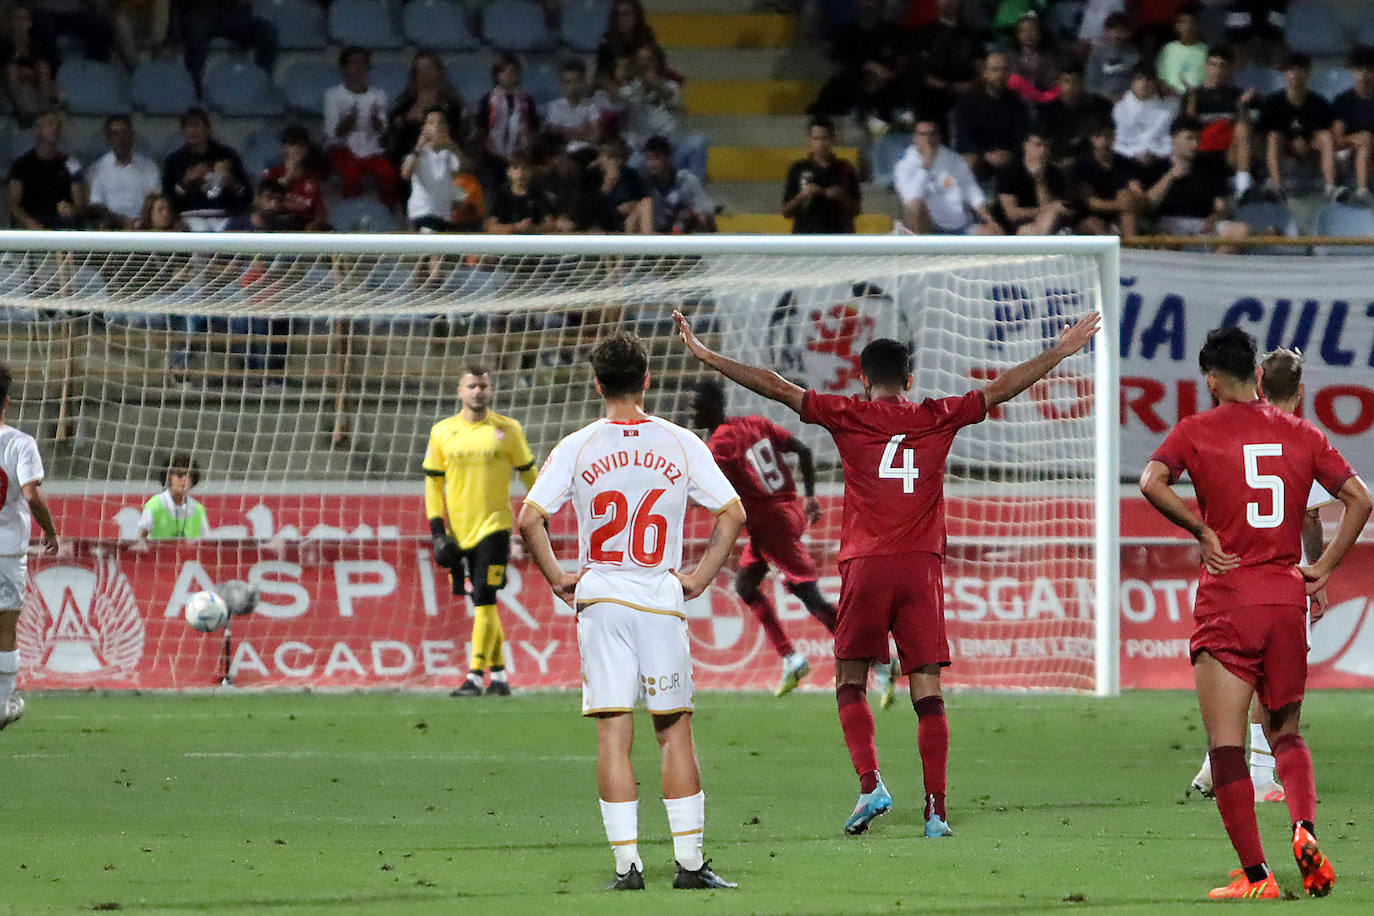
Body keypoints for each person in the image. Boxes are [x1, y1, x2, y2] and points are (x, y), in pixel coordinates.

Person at [671, 307, 1100, 839]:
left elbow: (777, 387)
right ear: (911, 380)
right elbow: (1001, 388)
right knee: (928, 688)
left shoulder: (848, 412)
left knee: (850, 679)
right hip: (922, 569)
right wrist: (1059, 352)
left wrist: (709, 355)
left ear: (862, 377)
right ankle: (937, 812)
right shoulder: (937, 414)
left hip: (865, 566)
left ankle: (871, 784)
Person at [1139, 326, 1370, 900]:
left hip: (1229, 600)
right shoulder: (1302, 434)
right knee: (1286, 731)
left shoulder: (1196, 430)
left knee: (1225, 747)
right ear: (1260, 377)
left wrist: (1200, 528)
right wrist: (1326, 568)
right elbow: (1360, 499)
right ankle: (1303, 827)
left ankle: (1257, 876)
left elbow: (1152, 481)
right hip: (1287, 599)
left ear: (1211, 381)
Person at [517, 332, 745, 891]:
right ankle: (689, 865)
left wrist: (558, 580)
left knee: (614, 737)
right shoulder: (681, 442)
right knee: (674, 733)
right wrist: (696, 578)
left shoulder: (576, 445)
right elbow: (732, 514)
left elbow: (528, 520)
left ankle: (627, 869)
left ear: (598, 384)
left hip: (601, 601)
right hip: (660, 601)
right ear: (647, 379)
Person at [1187, 347, 1331, 805]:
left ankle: (1216, 765)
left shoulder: (1230, 431)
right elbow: (1313, 517)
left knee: (1238, 675)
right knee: (1281, 696)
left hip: (1229, 579)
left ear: (1258, 385)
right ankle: (1268, 777)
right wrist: (1320, 572)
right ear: (1302, 391)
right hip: (1279, 582)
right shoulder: (1299, 437)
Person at [688, 379, 837, 696]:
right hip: (788, 511)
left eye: (695, 405)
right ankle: (792, 658)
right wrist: (810, 497)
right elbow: (804, 450)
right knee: (745, 584)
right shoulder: (754, 423)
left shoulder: (718, 447)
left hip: (772, 523)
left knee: (808, 595)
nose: (690, 412)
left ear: (712, 406)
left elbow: (706, 494)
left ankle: (876, 657)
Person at [424, 367, 538, 698]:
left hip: (495, 527)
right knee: (481, 601)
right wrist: (437, 532)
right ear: (460, 392)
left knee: (485, 597)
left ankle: (475, 676)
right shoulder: (443, 432)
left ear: (491, 391)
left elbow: (530, 476)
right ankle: (499, 675)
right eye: (472, 386)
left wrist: (539, 515)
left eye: (483, 386)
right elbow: (433, 483)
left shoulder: (507, 430)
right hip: (459, 531)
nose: (478, 391)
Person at [0, 362, 61, 731]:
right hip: (6, 552)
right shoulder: (20, 442)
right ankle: (3, 704)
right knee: (5, 630)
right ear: (6, 401)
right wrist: (51, 532)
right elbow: (31, 494)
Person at [1142, 114, 1247, 243]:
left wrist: (1212, 220)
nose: (1195, 144)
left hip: (1202, 222)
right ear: (1174, 139)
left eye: (1198, 138)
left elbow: (1221, 206)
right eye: (1189, 138)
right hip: (1166, 223)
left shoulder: (1211, 167)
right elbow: (1148, 204)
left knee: (1240, 231)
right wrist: (1170, 176)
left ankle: (1213, 261)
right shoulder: (1157, 167)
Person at [893, 119, 1000, 235]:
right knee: (915, 205)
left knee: (993, 234)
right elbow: (911, 198)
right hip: (929, 226)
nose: (928, 139)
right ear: (915, 138)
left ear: (939, 137)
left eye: (932, 134)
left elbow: (972, 192)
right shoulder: (903, 167)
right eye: (923, 134)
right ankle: (920, 247)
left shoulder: (955, 160)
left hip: (962, 224)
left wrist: (989, 219)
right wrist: (925, 167)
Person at [1259, 52, 1342, 201]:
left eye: (1301, 70)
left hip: (1311, 151)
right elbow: (1263, 134)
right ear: (1284, 73)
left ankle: (1330, 186)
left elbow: (1324, 131)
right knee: (1274, 137)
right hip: (1283, 148)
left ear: (1308, 73)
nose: (1296, 75)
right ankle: (1277, 186)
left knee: (1326, 137)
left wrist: (1309, 145)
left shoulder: (1319, 104)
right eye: (1291, 70)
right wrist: (1291, 144)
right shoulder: (1272, 103)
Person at [325, 47, 399, 210]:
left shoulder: (378, 94)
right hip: (342, 149)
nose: (358, 69)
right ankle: (351, 213)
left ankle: (387, 214)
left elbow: (382, 129)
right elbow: (333, 132)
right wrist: (350, 119)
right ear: (344, 68)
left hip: (371, 150)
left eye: (362, 64)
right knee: (351, 173)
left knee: (389, 174)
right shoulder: (333, 95)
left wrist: (375, 119)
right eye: (353, 64)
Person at [161, 107, 251, 230]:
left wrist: (231, 182)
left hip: (224, 217)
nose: (193, 131)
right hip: (189, 218)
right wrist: (185, 183)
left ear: (208, 128)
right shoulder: (174, 161)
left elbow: (247, 195)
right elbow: (168, 198)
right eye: (188, 127)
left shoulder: (228, 156)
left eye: (197, 125)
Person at [1184, 45, 1254, 200]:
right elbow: (1187, 125)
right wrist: (1191, 101)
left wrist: (1242, 106)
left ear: (1230, 68)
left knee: (1243, 127)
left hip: (1229, 152)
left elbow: (1246, 130)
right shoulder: (1194, 94)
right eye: (1213, 64)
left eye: (1222, 66)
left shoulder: (1238, 94)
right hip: (1202, 150)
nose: (1217, 70)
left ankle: (1243, 184)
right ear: (1206, 66)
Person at [950, 50, 1031, 180]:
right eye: (995, 70)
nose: (1000, 74)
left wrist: (1009, 154)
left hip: (1009, 158)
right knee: (969, 160)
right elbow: (963, 139)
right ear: (985, 73)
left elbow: (1022, 138)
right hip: (978, 156)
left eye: (1004, 70)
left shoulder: (1017, 104)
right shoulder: (967, 102)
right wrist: (985, 155)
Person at [781, 116, 861, 234]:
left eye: (825, 138)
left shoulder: (845, 169)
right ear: (809, 140)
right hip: (805, 236)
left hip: (838, 236)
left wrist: (841, 197)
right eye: (816, 139)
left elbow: (857, 210)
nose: (821, 143)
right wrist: (803, 196)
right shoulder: (798, 169)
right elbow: (785, 212)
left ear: (833, 139)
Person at [7, 108, 84, 229]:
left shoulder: (70, 163)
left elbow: (79, 203)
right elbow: (13, 204)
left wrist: (72, 210)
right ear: (36, 131)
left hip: (61, 222)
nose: (55, 128)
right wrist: (28, 222)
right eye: (49, 124)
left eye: (57, 125)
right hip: (32, 221)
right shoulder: (21, 164)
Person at [994, 128, 1076, 235]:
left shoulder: (1056, 173)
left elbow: (1061, 210)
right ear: (1026, 145)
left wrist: (1040, 182)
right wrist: (1050, 208)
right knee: (1030, 230)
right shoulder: (1008, 173)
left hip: (1051, 226)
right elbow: (1012, 214)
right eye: (1038, 145)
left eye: (1046, 146)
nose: (1042, 150)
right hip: (1019, 228)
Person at [1073, 118, 1145, 237]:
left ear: (1114, 137)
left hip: (1121, 214)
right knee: (1094, 223)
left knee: (1126, 201)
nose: (1104, 141)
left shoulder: (1127, 164)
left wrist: (1129, 200)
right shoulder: (1082, 166)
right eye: (1098, 136)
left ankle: (1133, 249)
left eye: (1108, 136)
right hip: (1089, 217)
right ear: (1092, 139)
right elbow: (1089, 202)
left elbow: (1137, 191)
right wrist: (1120, 205)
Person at [86, 115, 160, 229]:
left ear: (132, 136)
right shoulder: (98, 168)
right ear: (108, 139)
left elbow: (154, 197)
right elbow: (96, 204)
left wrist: (139, 222)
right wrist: (121, 222)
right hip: (111, 224)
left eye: (124, 133)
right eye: (114, 134)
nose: (120, 139)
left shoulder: (149, 167)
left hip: (143, 224)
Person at [402, 108, 462, 233]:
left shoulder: (448, 154)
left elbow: (463, 170)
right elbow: (405, 174)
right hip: (422, 212)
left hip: (443, 213)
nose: (437, 127)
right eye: (432, 123)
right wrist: (419, 147)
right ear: (424, 128)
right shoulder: (419, 154)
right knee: (430, 249)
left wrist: (452, 145)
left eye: (441, 123)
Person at [641, 135, 715, 234]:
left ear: (668, 158)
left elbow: (708, 206)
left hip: (685, 228)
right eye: (649, 158)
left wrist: (692, 211)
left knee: (704, 218)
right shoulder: (645, 184)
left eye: (656, 158)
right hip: (658, 231)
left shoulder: (685, 179)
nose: (652, 163)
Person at [262, 126, 327, 232]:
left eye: (302, 145)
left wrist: (315, 225)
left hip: (305, 229)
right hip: (277, 225)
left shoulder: (312, 177)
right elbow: (265, 205)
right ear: (284, 148)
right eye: (293, 145)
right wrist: (287, 178)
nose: (298, 149)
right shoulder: (272, 173)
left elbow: (320, 212)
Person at [1331, 45, 1374, 203]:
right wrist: (1357, 139)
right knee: (1366, 141)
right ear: (1353, 72)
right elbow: (1338, 139)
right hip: (1349, 154)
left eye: (1369, 70)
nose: (1365, 75)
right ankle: (1362, 191)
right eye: (1360, 70)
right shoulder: (1343, 101)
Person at [1113, 68, 1179, 168]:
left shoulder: (1171, 106)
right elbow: (1118, 141)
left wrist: (1156, 153)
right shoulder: (1120, 108)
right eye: (1139, 79)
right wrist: (1135, 153)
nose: (1144, 84)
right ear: (1131, 83)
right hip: (1128, 159)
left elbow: (1173, 139)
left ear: (1156, 82)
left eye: (1149, 79)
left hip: (1162, 158)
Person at [137, 453, 209, 539]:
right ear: (169, 477)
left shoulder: (198, 509)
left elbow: (206, 542)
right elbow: (140, 538)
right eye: (180, 475)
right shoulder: (156, 504)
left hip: (189, 552)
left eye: (189, 476)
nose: (185, 480)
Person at [484, 152, 551, 234]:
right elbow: (490, 227)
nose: (520, 172)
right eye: (516, 168)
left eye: (525, 168)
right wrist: (515, 227)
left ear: (531, 172)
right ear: (509, 172)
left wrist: (532, 228)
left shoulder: (538, 195)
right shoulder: (501, 196)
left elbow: (550, 224)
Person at [1085, 12, 1142, 102]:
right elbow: (1091, 83)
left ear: (1130, 32)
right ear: (1106, 31)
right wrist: (1107, 96)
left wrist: (1126, 96)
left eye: (1122, 30)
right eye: (1113, 29)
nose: (1117, 33)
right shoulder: (1097, 53)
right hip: (1101, 100)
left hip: (1129, 100)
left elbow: (1139, 82)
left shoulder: (1135, 54)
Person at [1155, 6, 1208, 95]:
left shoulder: (1206, 50)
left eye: (1192, 23)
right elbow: (1160, 76)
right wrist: (1168, 89)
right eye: (1184, 23)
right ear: (1177, 26)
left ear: (1198, 26)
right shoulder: (1167, 49)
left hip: (1198, 96)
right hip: (1170, 97)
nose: (1188, 26)